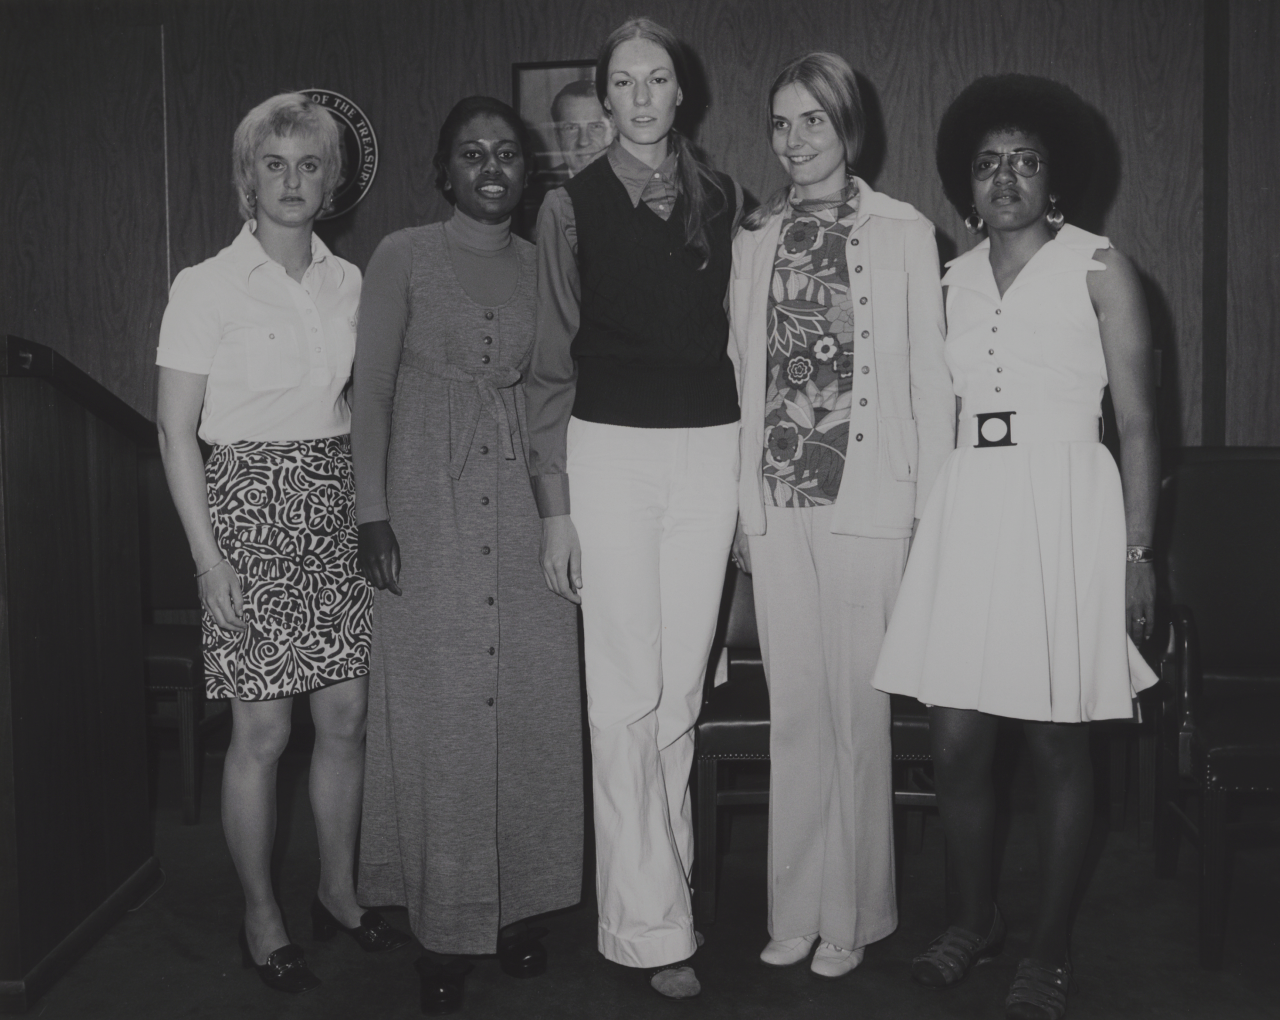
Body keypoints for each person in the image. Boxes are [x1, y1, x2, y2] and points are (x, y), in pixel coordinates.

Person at [872, 74, 1159, 1020]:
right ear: (967, 180)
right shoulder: (947, 280)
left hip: (1066, 504)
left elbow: (1143, 425)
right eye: (989, 163)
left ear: (1056, 178)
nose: (1006, 178)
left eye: (1026, 162)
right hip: (973, 504)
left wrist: (1137, 553)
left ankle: (1048, 947)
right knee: (955, 743)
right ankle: (973, 918)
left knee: (1055, 745)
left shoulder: (1099, 266)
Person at [155, 92, 409, 996]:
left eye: (310, 165)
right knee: (263, 731)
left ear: (332, 182)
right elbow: (174, 432)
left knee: (344, 720)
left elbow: (366, 405)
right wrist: (207, 557)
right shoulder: (204, 285)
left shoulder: (353, 283)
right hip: (245, 513)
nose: (292, 181)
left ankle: (339, 890)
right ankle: (261, 909)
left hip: (336, 501)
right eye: (275, 164)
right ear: (247, 178)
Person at [350, 95, 582, 1017]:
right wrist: (372, 512)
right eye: (471, 153)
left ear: (529, 174)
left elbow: (557, 393)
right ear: (444, 171)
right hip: (423, 508)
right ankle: (442, 925)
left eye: (508, 153)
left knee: (529, 709)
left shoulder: (543, 265)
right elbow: (369, 392)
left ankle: (518, 910)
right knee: (440, 719)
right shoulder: (401, 255)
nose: (492, 165)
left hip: (525, 508)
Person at [526, 16, 743, 1001]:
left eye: (659, 80)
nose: (643, 97)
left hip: (709, 452)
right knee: (622, 695)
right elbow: (547, 365)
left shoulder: (723, 197)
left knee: (678, 696)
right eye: (625, 82)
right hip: (606, 455)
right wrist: (555, 507)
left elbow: (735, 341)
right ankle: (652, 929)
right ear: (603, 100)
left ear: (678, 96)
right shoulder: (566, 209)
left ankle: (657, 900)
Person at [728, 52, 953, 979]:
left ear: (847, 127)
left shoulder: (905, 231)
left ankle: (855, 915)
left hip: (870, 499)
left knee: (858, 716)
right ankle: (796, 908)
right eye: (781, 124)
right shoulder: (756, 237)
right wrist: (743, 509)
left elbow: (930, 382)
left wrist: (933, 514)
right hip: (780, 497)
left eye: (812, 121)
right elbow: (746, 376)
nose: (794, 141)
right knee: (796, 714)